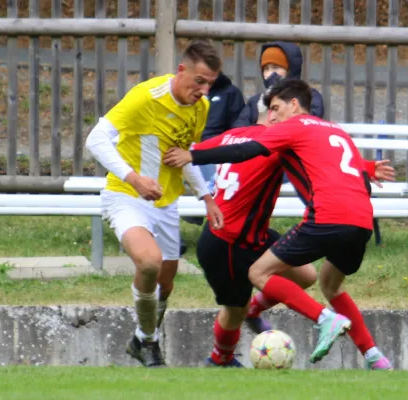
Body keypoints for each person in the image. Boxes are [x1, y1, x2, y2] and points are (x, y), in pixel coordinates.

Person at [163, 78, 394, 370]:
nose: (274, 116)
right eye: (270, 110)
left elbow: (242, 150)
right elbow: (338, 164)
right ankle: (376, 358)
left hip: (249, 233)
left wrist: (190, 154)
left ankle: (318, 320)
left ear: (293, 105)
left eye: (277, 109)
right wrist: (369, 168)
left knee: (257, 284)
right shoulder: (335, 130)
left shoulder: (275, 135)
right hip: (358, 222)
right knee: (321, 282)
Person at [85, 39, 224, 368]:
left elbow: (183, 155)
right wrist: (134, 178)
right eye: (199, 81)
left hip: (166, 203)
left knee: (165, 282)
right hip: (126, 195)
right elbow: (96, 139)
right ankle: (149, 344)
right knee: (149, 262)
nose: (203, 90)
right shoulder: (145, 96)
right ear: (181, 70)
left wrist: (205, 196)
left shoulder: (200, 108)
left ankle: (142, 339)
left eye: (210, 84)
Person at [195, 97, 317, 367]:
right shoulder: (274, 144)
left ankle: (254, 309)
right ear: (272, 115)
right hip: (226, 242)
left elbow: (196, 152)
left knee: (306, 275)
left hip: (256, 235)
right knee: (233, 311)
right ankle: (220, 360)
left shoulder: (233, 135)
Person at [180, 70, 245, 231]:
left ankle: (216, 226)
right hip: (186, 148)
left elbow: (238, 129)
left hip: (216, 152)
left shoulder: (230, 93)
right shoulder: (187, 93)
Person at [232, 41, 324, 127]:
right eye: (266, 69)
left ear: (290, 70)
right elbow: (238, 131)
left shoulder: (309, 96)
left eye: (276, 68)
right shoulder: (255, 101)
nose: (270, 74)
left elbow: (310, 123)